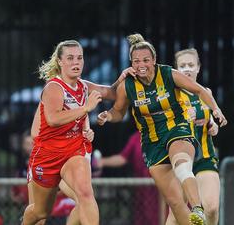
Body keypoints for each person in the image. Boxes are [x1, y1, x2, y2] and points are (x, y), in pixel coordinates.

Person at [97, 34, 227, 225]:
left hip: (178, 129)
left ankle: (198, 208)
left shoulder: (168, 74)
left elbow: (200, 90)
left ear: (155, 60)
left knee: (181, 164)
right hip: (152, 142)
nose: (141, 65)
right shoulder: (128, 86)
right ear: (131, 63)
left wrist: (215, 110)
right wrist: (107, 116)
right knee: (174, 203)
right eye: (136, 61)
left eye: (146, 60)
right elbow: (118, 111)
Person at [21, 39, 123, 225]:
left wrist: (124, 79)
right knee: (41, 212)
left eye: (80, 58)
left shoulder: (84, 86)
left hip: (74, 150)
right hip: (48, 154)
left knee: (85, 194)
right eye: (70, 58)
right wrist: (86, 108)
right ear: (60, 62)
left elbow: (112, 92)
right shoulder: (53, 87)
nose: (76, 62)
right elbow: (52, 120)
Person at [164, 48, 221, 225]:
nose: (187, 69)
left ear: (198, 68)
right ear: (176, 70)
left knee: (210, 207)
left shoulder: (206, 93)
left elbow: (212, 125)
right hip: (181, 159)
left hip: (204, 157)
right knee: (176, 215)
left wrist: (212, 126)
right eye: (182, 66)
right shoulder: (170, 95)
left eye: (191, 65)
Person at [97, 131, 159, 225]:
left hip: (160, 189)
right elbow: (123, 158)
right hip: (141, 191)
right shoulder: (135, 137)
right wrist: (102, 162)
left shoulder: (163, 131)